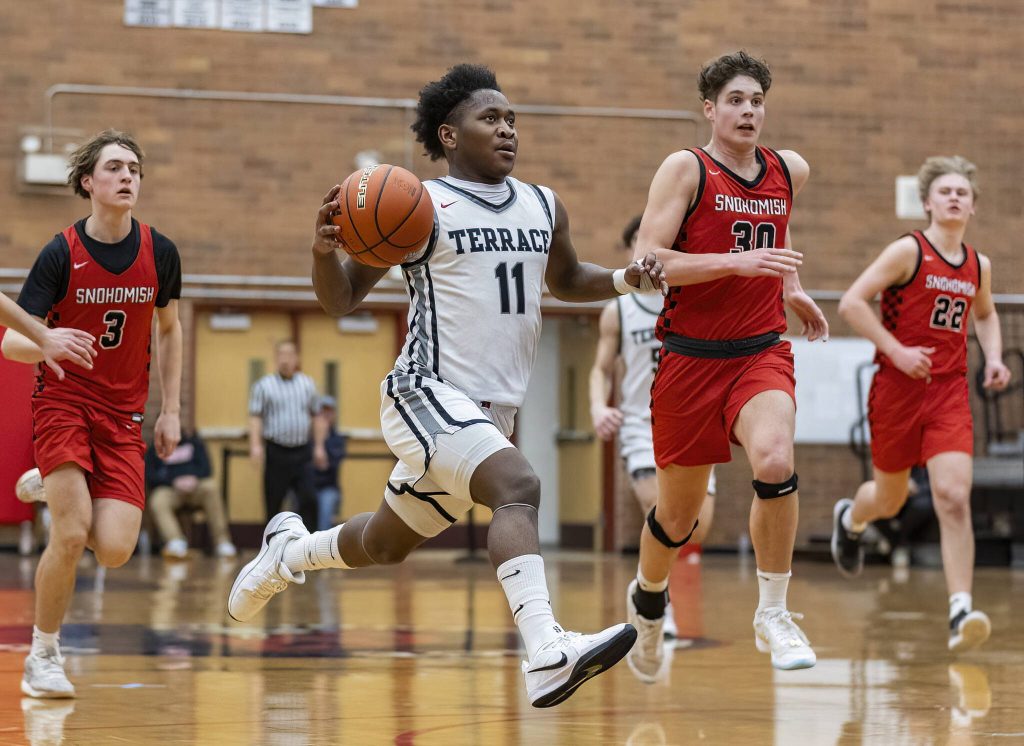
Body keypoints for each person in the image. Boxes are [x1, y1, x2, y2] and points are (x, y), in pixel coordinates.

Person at [228, 63, 666, 708]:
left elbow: (567, 280)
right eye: (490, 118)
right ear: (450, 135)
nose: (507, 129)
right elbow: (343, 299)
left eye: (512, 118)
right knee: (518, 487)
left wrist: (628, 278)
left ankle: (288, 551)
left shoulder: (544, 203)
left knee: (384, 543)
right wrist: (323, 253)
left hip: (491, 415)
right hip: (425, 392)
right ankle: (546, 651)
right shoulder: (417, 205)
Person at [624, 51, 830, 679]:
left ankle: (773, 611)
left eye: (757, 101)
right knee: (678, 518)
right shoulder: (686, 169)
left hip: (760, 350)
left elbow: (774, 239)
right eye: (736, 101)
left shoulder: (788, 169)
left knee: (774, 458)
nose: (749, 111)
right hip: (689, 358)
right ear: (710, 109)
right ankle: (648, 603)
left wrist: (789, 288)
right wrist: (732, 264)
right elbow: (646, 262)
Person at [1, 129, 183, 698]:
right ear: (89, 182)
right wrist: (47, 343)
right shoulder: (61, 253)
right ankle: (44, 656)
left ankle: (43, 482)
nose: (128, 176)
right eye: (115, 167)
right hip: (64, 402)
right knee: (72, 530)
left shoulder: (162, 251)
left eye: (135, 168)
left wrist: (170, 410)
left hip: (125, 415)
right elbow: (11, 344)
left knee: (115, 548)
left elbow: (170, 329)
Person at [831, 155, 1011, 652]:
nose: (955, 197)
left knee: (954, 496)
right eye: (945, 191)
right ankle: (851, 519)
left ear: (973, 207)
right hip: (896, 389)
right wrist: (896, 350)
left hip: (949, 392)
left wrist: (993, 357)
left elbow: (987, 314)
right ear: (928, 202)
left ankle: (960, 610)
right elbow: (851, 303)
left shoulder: (979, 264)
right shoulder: (908, 251)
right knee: (890, 499)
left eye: (963, 193)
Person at [588, 214, 716, 641]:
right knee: (660, 508)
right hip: (642, 425)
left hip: (693, 422)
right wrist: (596, 406)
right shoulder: (620, 309)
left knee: (696, 524)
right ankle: (659, 607)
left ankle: (649, 584)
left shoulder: (694, 297)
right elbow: (601, 370)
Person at [248, 340, 323, 530]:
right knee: (273, 502)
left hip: (302, 451)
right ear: (275, 358)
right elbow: (256, 417)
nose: (285, 359)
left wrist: (320, 447)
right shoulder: (263, 386)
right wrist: (255, 446)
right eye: (281, 354)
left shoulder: (307, 384)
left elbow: (316, 416)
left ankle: (310, 548)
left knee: (309, 499)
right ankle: (272, 549)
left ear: (296, 358)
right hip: (276, 451)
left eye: (289, 354)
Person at [145, 429, 236, 559]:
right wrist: (173, 481)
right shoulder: (155, 449)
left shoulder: (195, 443)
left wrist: (193, 478)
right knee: (157, 500)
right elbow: (150, 476)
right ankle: (175, 541)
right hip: (171, 489)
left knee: (212, 488)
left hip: (196, 487)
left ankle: (223, 542)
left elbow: (207, 468)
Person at [311, 395, 347, 531]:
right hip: (307, 486)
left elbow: (329, 466)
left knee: (325, 507)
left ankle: (320, 548)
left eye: (329, 411)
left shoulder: (337, 440)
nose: (325, 414)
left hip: (328, 488)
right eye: (322, 411)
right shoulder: (306, 438)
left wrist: (321, 443)